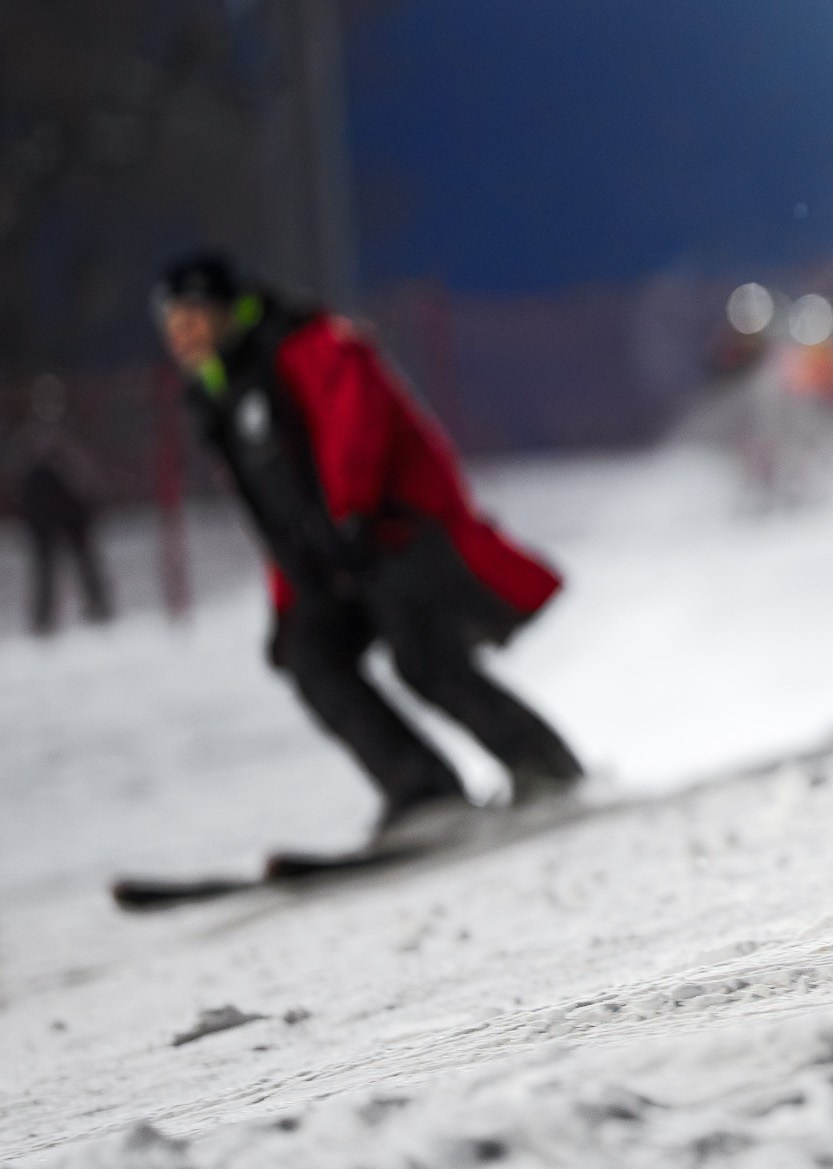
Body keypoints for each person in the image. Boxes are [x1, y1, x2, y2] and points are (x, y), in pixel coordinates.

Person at [152, 251, 582, 845]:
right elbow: (275, 515)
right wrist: (287, 603)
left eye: (193, 317)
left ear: (227, 309)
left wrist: (351, 512)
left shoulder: (307, 344)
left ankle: (546, 766)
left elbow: (354, 423)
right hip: (332, 561)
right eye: (172, 324)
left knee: (422, 659)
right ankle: (421, 787)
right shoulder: (219, 397)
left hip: (395, 535)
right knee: (312, 658)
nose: (183, 335)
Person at [6, 375, 114, 631]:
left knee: (82, 559)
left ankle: (97, 606)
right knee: (46, 565)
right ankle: (45, 617)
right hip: (44, 511)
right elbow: (14, 471)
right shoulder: (29, 435)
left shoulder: (69, 430)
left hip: (71, 507)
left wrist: (90, 495)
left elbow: (87, 470)